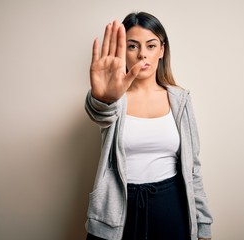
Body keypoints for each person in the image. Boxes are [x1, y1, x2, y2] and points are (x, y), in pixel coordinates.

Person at [84, 11, 213, 240]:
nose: (142, 54)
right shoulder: (114, 98)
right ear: (122, 51)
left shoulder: (180, 100)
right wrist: (104, 98)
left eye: (151, 46)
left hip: (171, 205)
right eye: (132, 46)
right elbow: (99, 112)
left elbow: (193, 167)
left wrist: (203, 226)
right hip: (119, 208)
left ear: (162, 50)